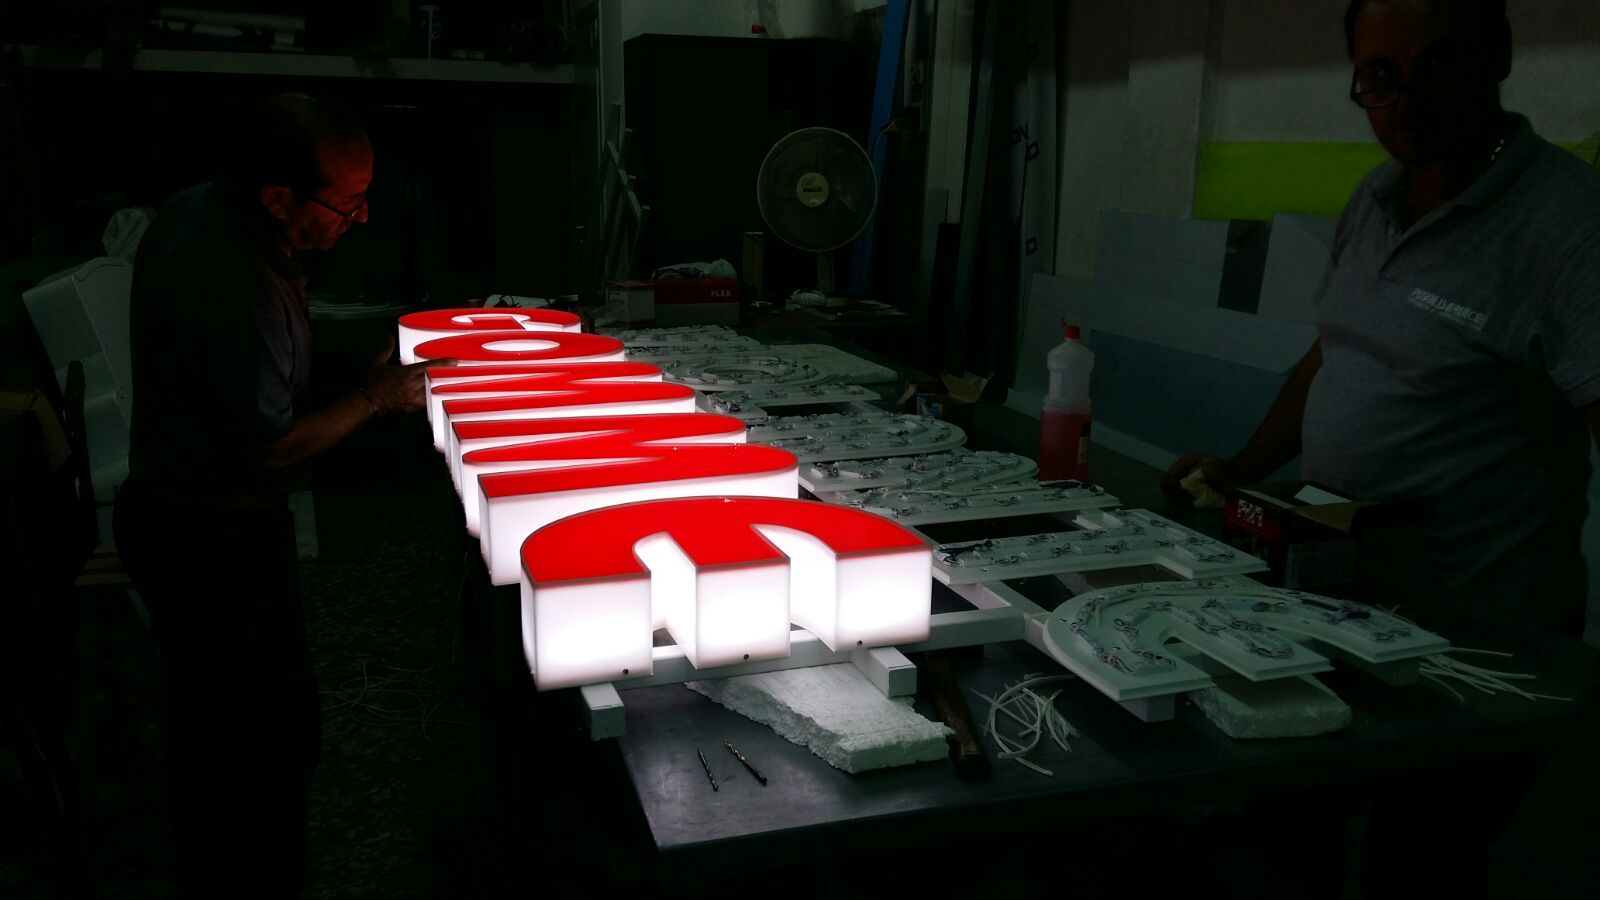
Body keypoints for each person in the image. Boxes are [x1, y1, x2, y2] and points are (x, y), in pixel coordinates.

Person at [1162, 0, 1600, 638]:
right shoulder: (1375, 195)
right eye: (1382, 76)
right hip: (1342, 595)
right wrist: (1241, 471)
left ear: (1499, 54)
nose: (1409, 104)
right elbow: (1335, 351)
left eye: (1438, 67)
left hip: (1481, 638)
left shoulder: (1571, 226)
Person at [114, 93, 440, 897]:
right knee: (259, 733)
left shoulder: (197, 208)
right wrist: (375, 400)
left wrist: (348, 379)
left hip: (172, 514)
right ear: (277, 197)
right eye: (348, 203)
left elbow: (246, 389)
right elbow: (269, 447)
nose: (361, 219)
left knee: (219, 722)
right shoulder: (237, 285)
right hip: (209, 537)